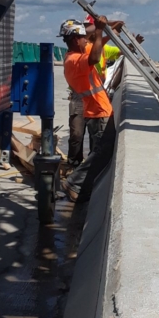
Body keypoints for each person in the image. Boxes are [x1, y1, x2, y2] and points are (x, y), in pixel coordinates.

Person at [58, 17, 116, 202]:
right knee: (102, 153)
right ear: (75, 40)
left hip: (99, 110)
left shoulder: (76, 54)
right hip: (98, 112)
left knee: (100, 153)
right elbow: (95, 56)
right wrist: (99, 30)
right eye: (83, 38)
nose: (86, 40)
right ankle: (73, 183)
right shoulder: (74, 60)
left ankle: (80, 187)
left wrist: (107, 26)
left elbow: (94, 42)